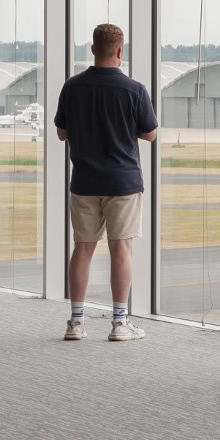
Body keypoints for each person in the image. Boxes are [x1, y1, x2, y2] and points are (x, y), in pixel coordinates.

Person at [51, 22, 156, 342]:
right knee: (120, 248)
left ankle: (76, 322)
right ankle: (119, 323)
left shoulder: (72, 87)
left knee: (82, 249)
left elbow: (61, 133)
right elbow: (150, 134)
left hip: (84, 179)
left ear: (94, 49)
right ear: (120, 52)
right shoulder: (134, 90)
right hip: (122, 182)